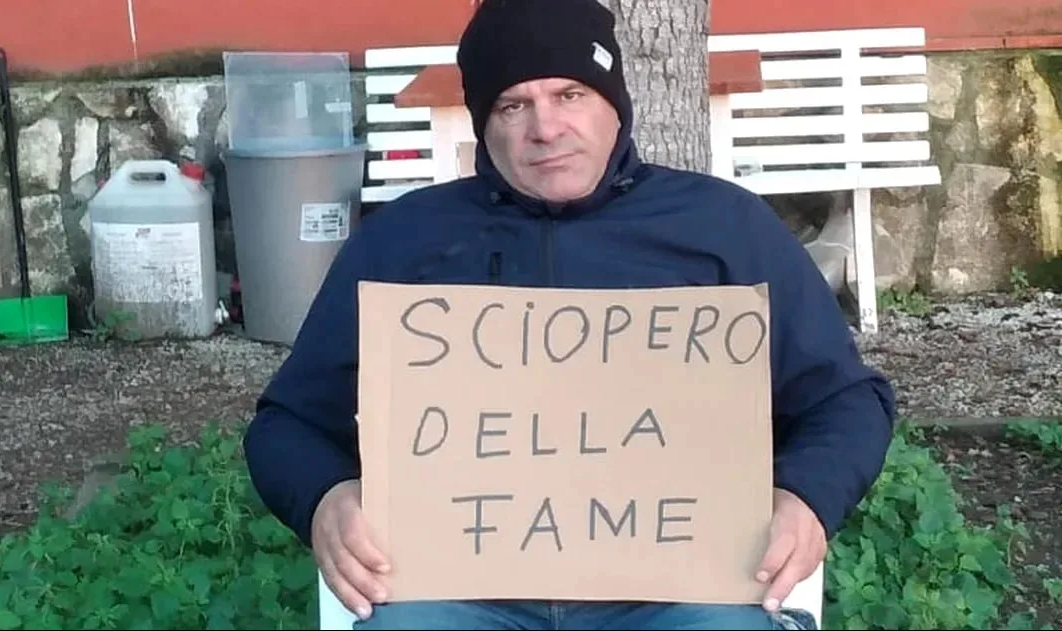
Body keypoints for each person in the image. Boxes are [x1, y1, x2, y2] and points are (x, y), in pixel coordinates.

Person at [242, 0, 897, 628]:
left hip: (682, 588)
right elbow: (287, 423)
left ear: (614, 102)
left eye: (570, 94)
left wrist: (806, 496)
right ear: (483, 124)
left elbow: (846, 400)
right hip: (456, 588)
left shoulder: (723, 228)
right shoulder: (404, 241)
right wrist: (326, 498)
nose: (546, 127)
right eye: (513, 105)